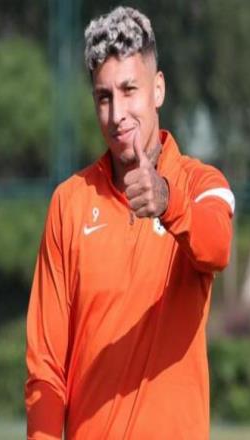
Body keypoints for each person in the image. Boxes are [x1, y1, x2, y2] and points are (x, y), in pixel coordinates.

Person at [25, 6, 234, 440]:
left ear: (158, 89)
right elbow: (46, 364)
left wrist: (168, 202)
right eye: (104, 97)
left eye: (129, 90)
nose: (117, 113)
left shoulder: (201, 184)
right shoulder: (69, 203)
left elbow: (217, 248)